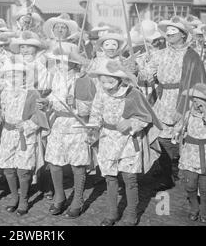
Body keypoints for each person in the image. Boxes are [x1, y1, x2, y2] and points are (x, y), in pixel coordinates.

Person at [88, 59, 162, 226]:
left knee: (130, 179)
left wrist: (131, 123)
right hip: (108, 139)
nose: (107, 84)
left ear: (120, 79)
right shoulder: (100, 92)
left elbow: (145, 117)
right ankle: (112, 213)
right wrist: (92, 129)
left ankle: (131, 213)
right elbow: (96, 113)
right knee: (110, 178)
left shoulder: (132, 93)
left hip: (129, 141)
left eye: (111, 80)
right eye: (103, 80)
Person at [138, 17, 206, 191]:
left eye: (173, 30)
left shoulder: (192, 56)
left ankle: (189, 175)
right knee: (160, 136)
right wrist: (138, 68)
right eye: (167, 30)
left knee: (185, 138)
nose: (169, 33)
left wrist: (183, 107)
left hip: (184, 98)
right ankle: (166, 174)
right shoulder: (159, 54)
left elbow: (197, 84)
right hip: (162, 99)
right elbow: (146, 76)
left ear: (183, 35)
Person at [44, 49, 97, 218]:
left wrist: (77, 103)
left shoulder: (83, 80)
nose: (60, 65)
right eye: (58, 62)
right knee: (54, 161)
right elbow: (53, 97)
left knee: (78, 163)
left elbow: (91, 106)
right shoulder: (56, 77)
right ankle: (59, 196)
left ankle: (78, 200)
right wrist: (46, 103)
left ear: (75, 63)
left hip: (77, 124)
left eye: (64, 62)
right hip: (58, 122)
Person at [0, 62, 49, 216]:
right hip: (8, 133)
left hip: (25, 134)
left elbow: (39, 116)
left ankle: (24, 198)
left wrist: (26, 126)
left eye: (17, 74)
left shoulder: (32, 93)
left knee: (23, 169)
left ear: (24, 76)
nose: (13, 78)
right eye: (10, 75)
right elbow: (1, 110)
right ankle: (14, 196)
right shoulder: (4, 92)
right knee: (8, 167)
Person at [173, 83, 206, 223]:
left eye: (201, 100)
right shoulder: (188, 114)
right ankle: (194, 207)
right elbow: (180, 127)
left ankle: (204, 211)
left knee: (204, 189)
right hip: (189, 156)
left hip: (204, 155)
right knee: (190, 185)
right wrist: (176, 131)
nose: (197, 103)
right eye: (195, 99)